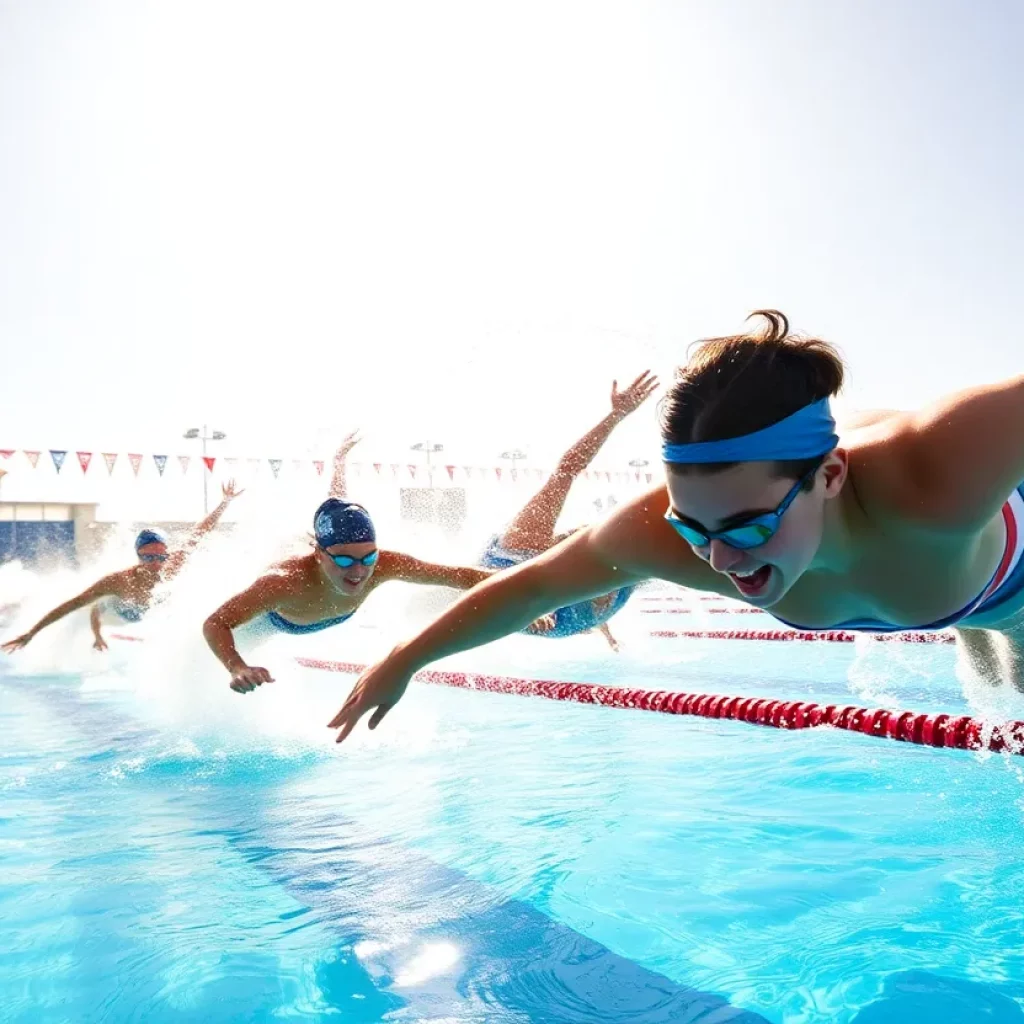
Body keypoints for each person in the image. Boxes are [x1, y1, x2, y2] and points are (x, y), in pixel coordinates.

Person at [327, 310, 1024, 742]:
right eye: (694, 528)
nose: (718, 559)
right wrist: (403, 660)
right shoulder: (664, 534)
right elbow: (528, 589)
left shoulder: (939, 468)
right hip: (937, 570)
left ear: (832, 476)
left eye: (748, 526)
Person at [203, 432, 503, 694]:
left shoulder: (385, 564)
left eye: (368, 557)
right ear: (319, 554)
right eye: (345, 559)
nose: (359, 571)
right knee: (207, 666)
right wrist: (237, 666)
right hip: (267, 624)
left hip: (315, 600)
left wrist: (520, 590)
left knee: (340, 507)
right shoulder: (283, 582)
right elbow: (216, 623)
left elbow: (458, 575)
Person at [479, 371, 658, 651]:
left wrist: (605, 631)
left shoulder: (630, 573)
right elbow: (567, 470)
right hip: (508, 568)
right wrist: (616, 416)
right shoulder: (525, 547)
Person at [2, 480, 244, 653]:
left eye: (161, 557)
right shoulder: (118, 581)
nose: (156, 564)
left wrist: (225, 502)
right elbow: (71, 604)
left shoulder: (174, 563)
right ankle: (92, 634)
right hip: (119, 615)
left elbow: (199, 532)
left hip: (145, 613)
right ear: (138, 556)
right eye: (149, 558)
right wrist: (31, 633)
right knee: (94, 606)